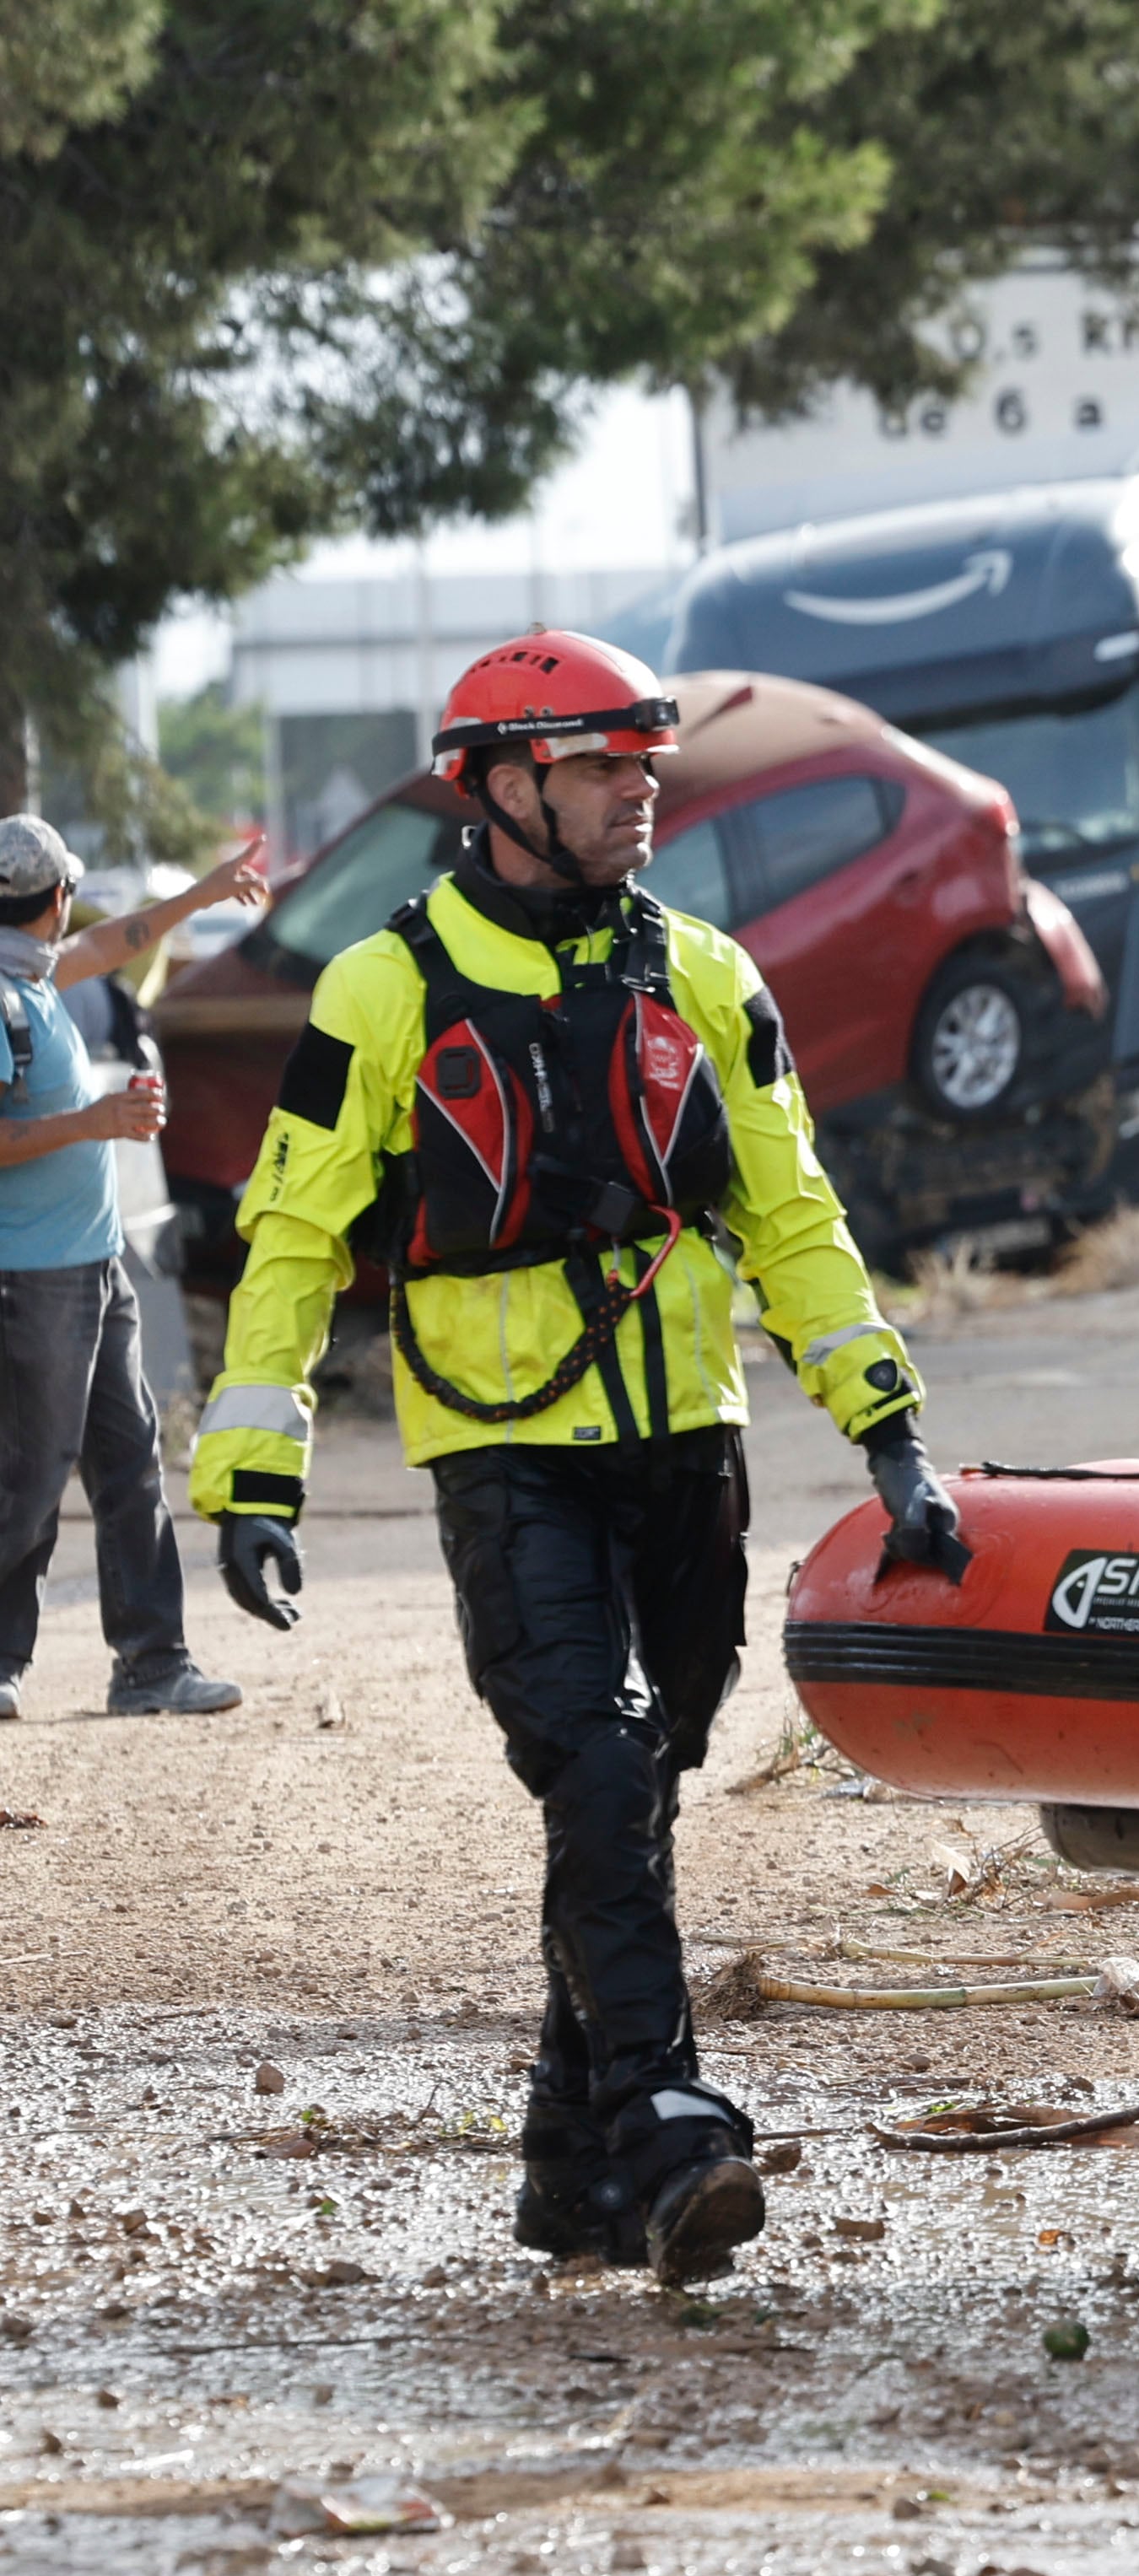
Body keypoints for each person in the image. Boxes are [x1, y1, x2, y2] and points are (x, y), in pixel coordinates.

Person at [191, 632, 972, 2285]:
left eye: (645, 763)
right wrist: (253, 1467)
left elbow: (793, 1216)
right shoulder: (382, 987)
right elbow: (292, 1232)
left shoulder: (705, 972)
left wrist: (892, 1435)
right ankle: (670, 2118)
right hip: (504, 1456)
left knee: (636, 1791)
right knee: (602, 1767)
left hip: (689, 1445)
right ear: (502, 781)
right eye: (606, 766)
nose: (643, 792)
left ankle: (568, 2165)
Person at [0, 816, 267, 1722]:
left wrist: (204, 893)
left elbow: (117, 942)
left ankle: (152, 1663)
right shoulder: (2, 990)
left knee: (130, 1464)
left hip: (94, 1270)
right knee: (29, 1476)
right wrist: (99, 1121)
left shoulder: (32, 969)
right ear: (58, 896)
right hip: (33, 1279)